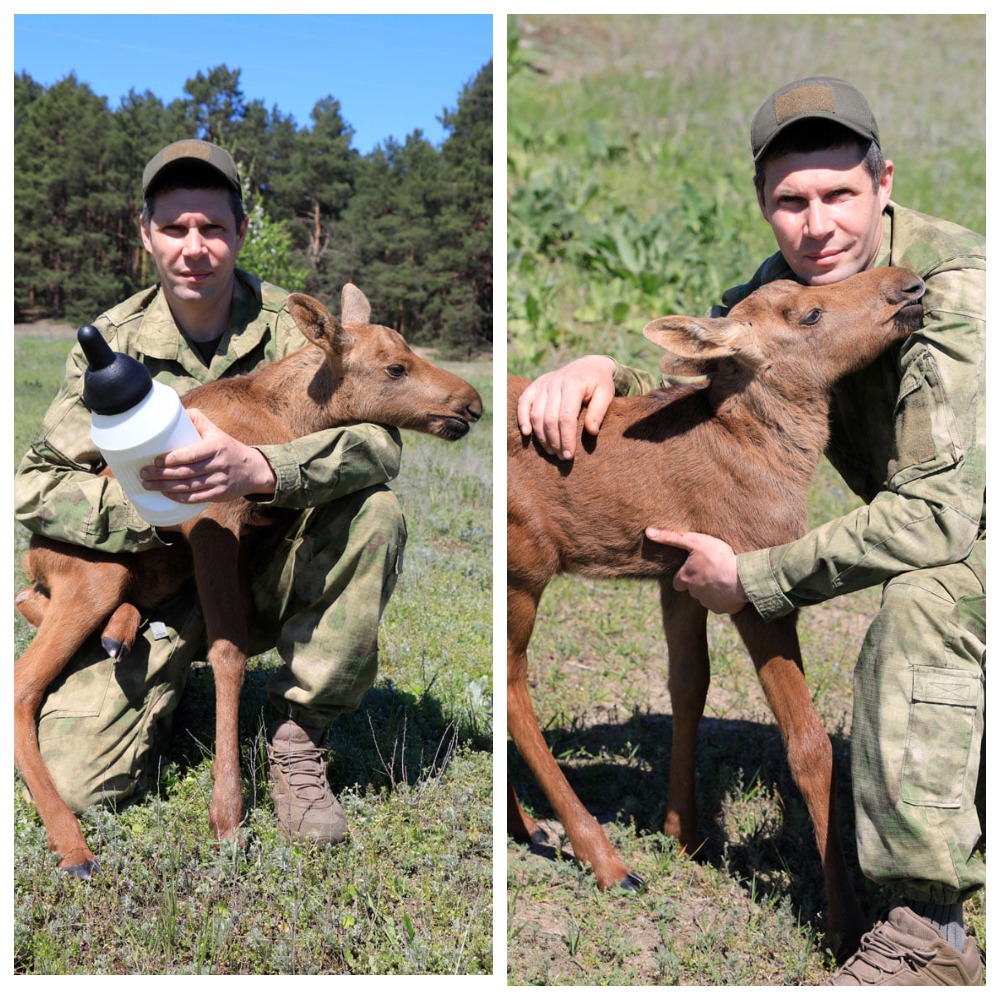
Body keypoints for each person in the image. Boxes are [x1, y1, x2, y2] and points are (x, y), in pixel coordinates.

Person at [516, 77, 985, 986]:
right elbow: (718, 338)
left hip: (968, 518)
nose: (818, 225)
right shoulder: (794, 293)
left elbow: (943, 518)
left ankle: (930, 932)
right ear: (767, 206)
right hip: (941, 515)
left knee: (926, 598)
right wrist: (592, 363)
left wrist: (759, 578)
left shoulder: (942, 291)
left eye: (840, 195)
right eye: (792, 202)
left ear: (883, 182)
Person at [14, 139, 408, 848]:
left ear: (240, 233)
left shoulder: (298, 328)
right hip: (152, 575)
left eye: (213, 227)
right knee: (80, 783)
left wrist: (262, 470)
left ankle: (298, 739)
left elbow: (381, 443)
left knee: (374, 512)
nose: (194, 247)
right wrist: (150, 499)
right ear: (146, 236)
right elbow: (35, 486)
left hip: (258, 564)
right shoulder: (109, 343)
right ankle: (131, 656)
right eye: (174, 228)